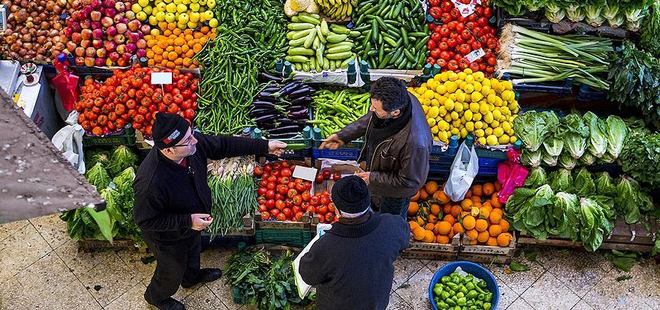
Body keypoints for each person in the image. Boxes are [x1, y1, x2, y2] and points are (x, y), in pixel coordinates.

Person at [133, 113, 287, 310]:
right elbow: (145, 221)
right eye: (188, 140)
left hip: (194, 223)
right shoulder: (150, 182)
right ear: (170, 149)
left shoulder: (190, 148)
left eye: (192, 134)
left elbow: (223, 144)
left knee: (193, 252)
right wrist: (187, 221)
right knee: (171, 269)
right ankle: (157, 297)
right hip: (167, 237)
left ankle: (191, 277)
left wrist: (264, 146)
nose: (195, 140)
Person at [320, 77, 432, 217]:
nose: (371, 109)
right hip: (381, 173)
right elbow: (372, 118)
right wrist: (343, 136)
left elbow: (410, 182)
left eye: (376, 108)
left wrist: (372, 178)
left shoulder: (415, 144)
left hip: (395, 194)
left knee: (389, 220)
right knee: (375, 207)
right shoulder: (401, 98)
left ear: (395, 112)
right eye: (372, 105)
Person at [299, 176, 409, 310]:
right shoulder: (393, 225)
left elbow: (308, 276)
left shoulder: (326, 247)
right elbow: (404, 241)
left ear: (336, 210)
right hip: (376, 303)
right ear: (368, 201)